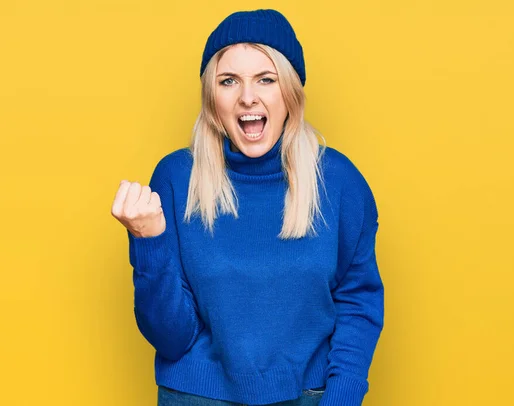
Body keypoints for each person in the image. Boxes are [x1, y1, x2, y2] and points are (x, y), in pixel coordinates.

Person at [111, 8, 384, 406]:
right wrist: (148, 242)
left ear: (290, 91)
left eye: (266, 79)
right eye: (229, 81)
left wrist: (341, 397)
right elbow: (171, 338)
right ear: (212, 97)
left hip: (311, 396)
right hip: (196, 396)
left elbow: (358, 301)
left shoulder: (339, 182)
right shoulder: (175, 179)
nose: (248, 97)